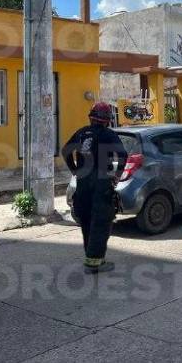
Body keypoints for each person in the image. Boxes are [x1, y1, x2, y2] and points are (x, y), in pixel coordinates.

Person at [62, 102, 128, 274]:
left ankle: (93, 257)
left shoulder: (82, 132)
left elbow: (65, 151)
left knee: (87, 220)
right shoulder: (109, 134)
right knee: (101, 221)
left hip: (83, 184)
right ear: (107, 121)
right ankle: (94, 264)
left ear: (91, 118)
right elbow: (122, 155)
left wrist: (75, 170)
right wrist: (117, 176)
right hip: (101, 183)